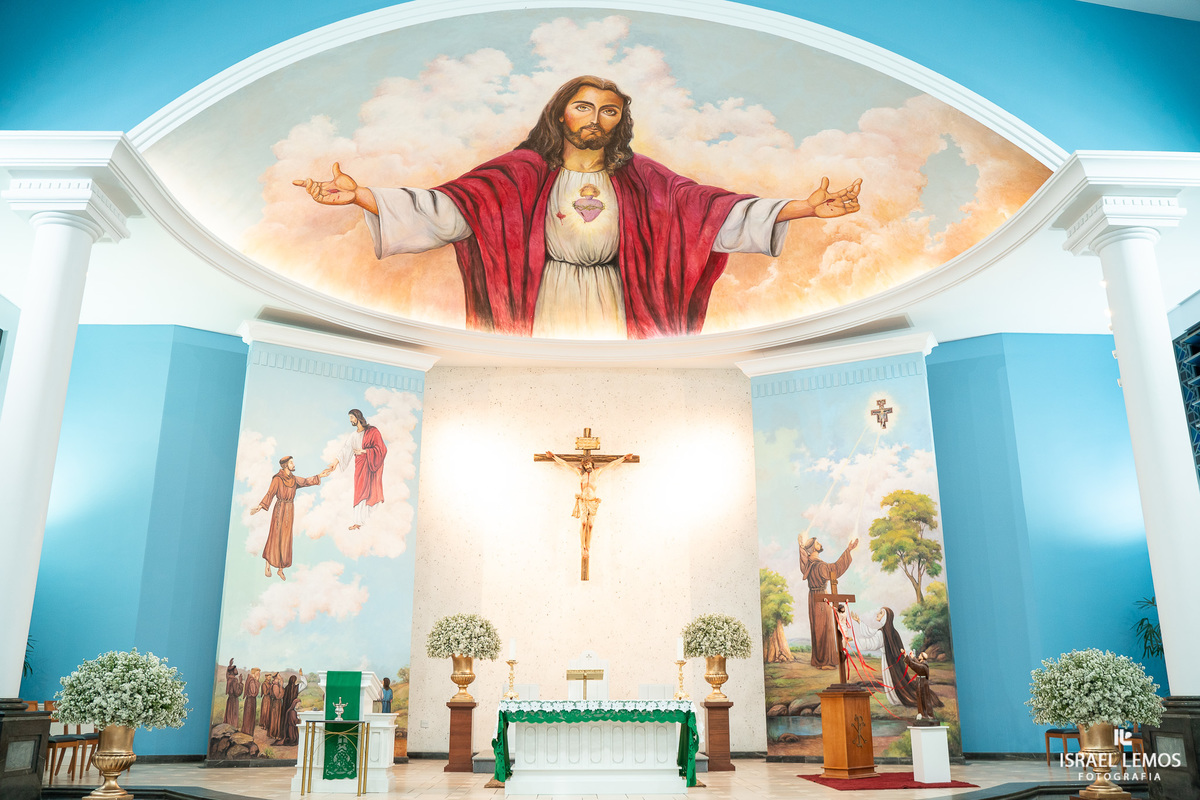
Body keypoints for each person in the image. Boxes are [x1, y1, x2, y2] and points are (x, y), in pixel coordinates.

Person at [294, 75, 862, 339]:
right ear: (559, 114)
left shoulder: (645, 181)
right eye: (584, 107)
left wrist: (803, 210)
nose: (596, 119)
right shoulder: (519, 175)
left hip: (619, 300)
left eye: (609, 111)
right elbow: (447, 209)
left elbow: (713, 214)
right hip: (545, 301)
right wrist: (362, 196)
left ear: (621, 122)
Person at [545, 451, 632, 576]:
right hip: (583, 501)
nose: (588, 466)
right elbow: (565, 464)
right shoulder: (579, 473)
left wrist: (624, 458)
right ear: (583, 466)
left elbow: (611, 464)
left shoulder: (597, 472)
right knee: (584, 523)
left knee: (590, 525)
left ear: (592, 463)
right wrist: (553, 456)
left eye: (589, 464)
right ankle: (582, 548)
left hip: (593, 502)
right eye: (585, 465)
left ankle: (588, 548)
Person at [251, 456, 337, 580]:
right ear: (285, 465)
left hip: (289, 510)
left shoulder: (293, 479)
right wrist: (260, 507)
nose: (293, 464)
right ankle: (268, 565)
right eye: (291, 462)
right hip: (279, 510)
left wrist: (320, 476)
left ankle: (280, 569)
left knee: (286, 539)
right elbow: (270, 493)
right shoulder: (277, 479)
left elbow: (306, 481)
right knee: (275, 536)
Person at [797, 534, 857, 669]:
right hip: (821, 598)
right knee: (824, 627)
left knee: (818, 627)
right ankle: (825, 662)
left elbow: (804, 560)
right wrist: (848, 551)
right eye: (817, 543)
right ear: (812, 548)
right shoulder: (819, 566)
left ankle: (819, 660)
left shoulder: (809, 564)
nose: (820, 544)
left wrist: (800, 545)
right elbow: (834, 568)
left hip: (813, 597)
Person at [337, 409, 387, 530]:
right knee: (359, 492)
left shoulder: (373, 431)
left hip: (371, 467)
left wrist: (365, 451)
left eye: (352, 417)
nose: (350, 420)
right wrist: (335, 463)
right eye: (349, 418)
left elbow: (381, 449)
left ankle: (370, 521)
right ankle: (358, 521)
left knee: (371, 492)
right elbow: (345, 450)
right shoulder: (354, 435)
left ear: (358, 417)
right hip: (360, 468)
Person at [878, 607, 919, 708]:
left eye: (881, 613)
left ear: (886, 617)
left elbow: (899, 648)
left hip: (893, 663)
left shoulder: (892, 632)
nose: (878, 615)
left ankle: (897, 698)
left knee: (897, 681)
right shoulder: (883, 631)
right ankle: (893, 698)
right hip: (887, 660)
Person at [902, 649, 943, 722]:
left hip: (922, 684)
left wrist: (905, 655)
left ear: (922, 657)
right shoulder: (923, 664)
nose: (918, 656)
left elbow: (915, 665)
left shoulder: (923, 666)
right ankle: (923, 714)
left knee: (924, 699)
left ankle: (927, 715)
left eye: (919, 655)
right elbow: (917, 663)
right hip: (921, 683)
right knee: (920, 699)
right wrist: (912, 657)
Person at [241, 667, 260, 736]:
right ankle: (247, 733)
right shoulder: (252, 681)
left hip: (250, 701)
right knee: (249, 717)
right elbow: (254, 692)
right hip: (250, 701)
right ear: (254, 673)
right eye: (258, 673)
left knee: (249, 717)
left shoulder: (251, 680)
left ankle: (248, 732)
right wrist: (257, 681)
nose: (259, 675)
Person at [223, 660, 242, 727]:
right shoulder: (234, 680)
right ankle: (232, 728)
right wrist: (241, 683)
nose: (237, 670)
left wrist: (229, 665)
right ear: (233, 671)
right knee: (233, 714)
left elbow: (227, 673)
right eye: (235, 669)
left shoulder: (229, 678)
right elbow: (237, 692)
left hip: (230, 699)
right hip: (234, 699)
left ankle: (229, 726)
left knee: (229, 713)